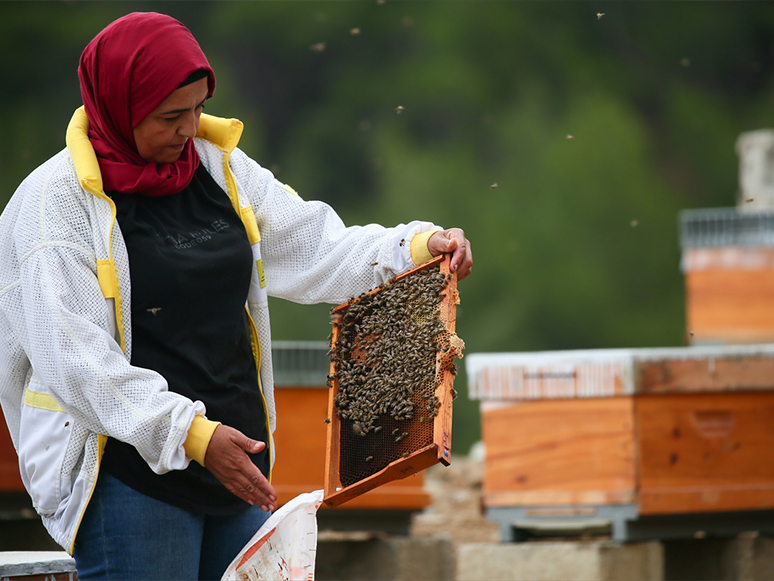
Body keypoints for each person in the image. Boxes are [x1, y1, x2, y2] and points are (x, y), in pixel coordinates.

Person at [0, 11, 472, 581]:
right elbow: (75, 363)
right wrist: (192, 435)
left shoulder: (217, 168)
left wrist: (415, 248)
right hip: (129, 477)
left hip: (237, 464)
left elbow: (313, 245)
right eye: (171, 116)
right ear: (119, 109)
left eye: (198, 108)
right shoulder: (54, 207)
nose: (189, 127)